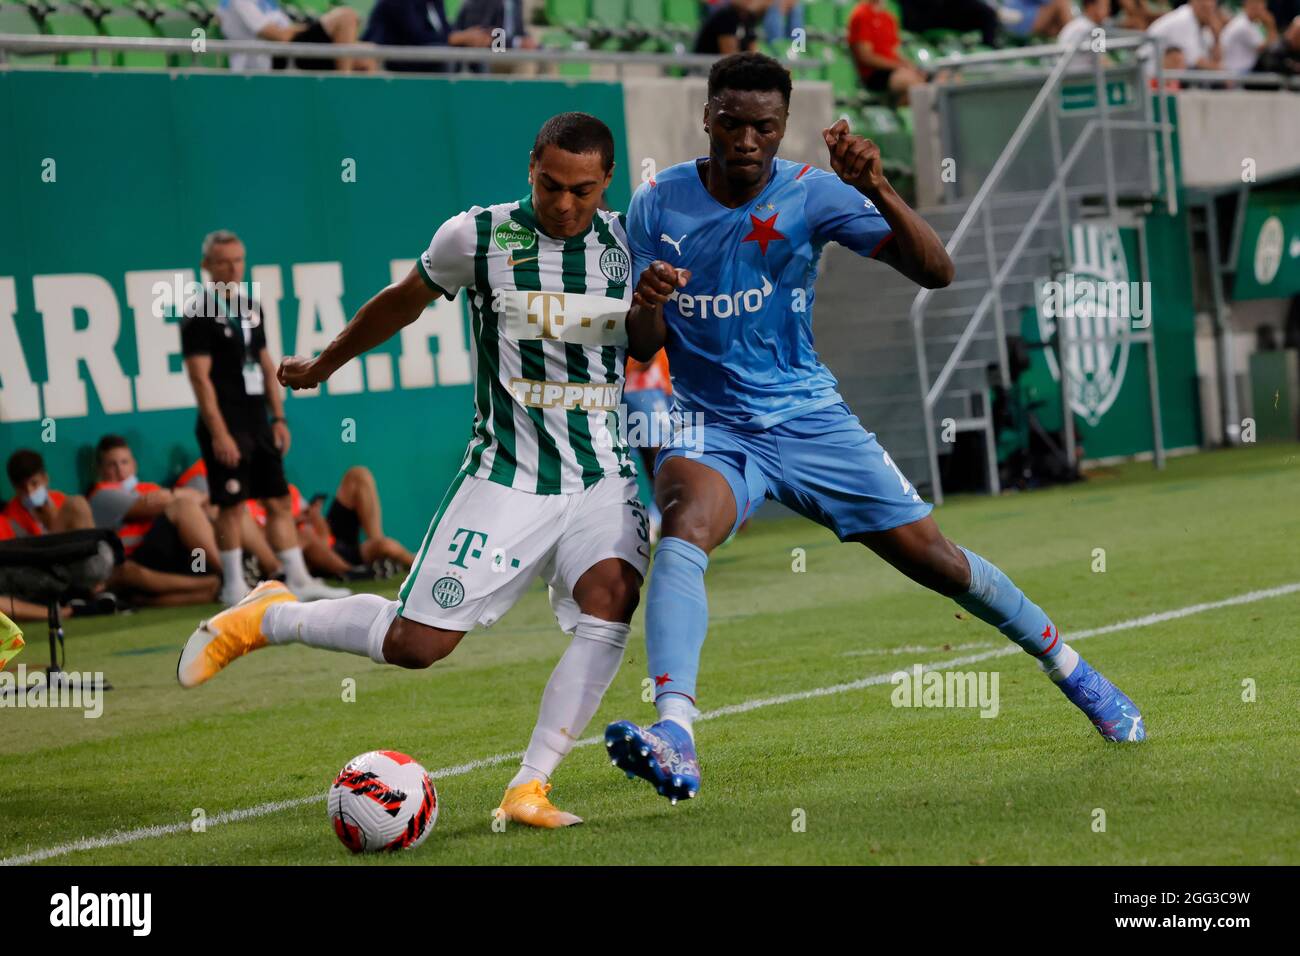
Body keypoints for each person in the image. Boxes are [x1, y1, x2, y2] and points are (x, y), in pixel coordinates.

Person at [604, 52, 1147, 805]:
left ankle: (1076, 673)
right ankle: (676, 733)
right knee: (683, 523)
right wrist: (650, 301)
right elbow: (639, 344)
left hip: (810, 421)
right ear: (706, 118)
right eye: (731, 123)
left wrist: (878, 188)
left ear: (783, 125)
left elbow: (938, 273)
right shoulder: (655, 202)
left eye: (764, 126)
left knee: (942, 563)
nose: (747, 140)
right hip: (713, 425)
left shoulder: (814, 193)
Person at [176, 113, 651, 830]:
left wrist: (657, 304)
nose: (564, 204)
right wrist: (322, 362)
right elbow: (402, 302)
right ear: (531, 166)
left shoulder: (629, 240)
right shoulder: (478, 236)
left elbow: (647, 343)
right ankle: (266, 617)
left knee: (611, 601)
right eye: (550, 185)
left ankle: (530, 787)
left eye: (581, 191)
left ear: (606, 182)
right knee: (416, 645)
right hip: (508, 475)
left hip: (602, 476)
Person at [180, 230, 348, 605]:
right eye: (223, 261)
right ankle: (234, 586)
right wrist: (219, 433)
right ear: (207, 265)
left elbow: (266, 361)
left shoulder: (251, 307)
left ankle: (299, 579)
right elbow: (199, 378)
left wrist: (279, 418)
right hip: (224, 423)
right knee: (231, 504)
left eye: (238, 259)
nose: (233, 267)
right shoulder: (198, 313)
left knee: (277, 501)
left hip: (258, 421)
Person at [88, 436, 221, 607]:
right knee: (183, 506)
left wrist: (175, 496)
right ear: (100, 470)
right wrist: (177, 496)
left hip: (173, 552)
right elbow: (149, 506)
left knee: (212, 508)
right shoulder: (102, 494)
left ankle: (226, 578)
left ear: (134, 464)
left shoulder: (149, 488)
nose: (120, 470)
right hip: (140, 556)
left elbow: (201, 499)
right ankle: (229, 575)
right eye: (112, 465)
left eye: (124, 462)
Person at [217, 0, 372, 72]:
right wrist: (295, 31)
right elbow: (279, 35)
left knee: (366, 52)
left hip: (291, 47)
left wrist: (294, 31)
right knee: (346, 16)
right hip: (273, 58)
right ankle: (343, 86)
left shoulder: (268, 3)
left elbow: (287, 30)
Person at [623, 350, 672, 542]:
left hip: (649, 386)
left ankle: (655, 517)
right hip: (644, 386)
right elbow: (647, 355)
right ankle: (656, 518)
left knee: (653, 456)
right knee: (656, 456)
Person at [847, 0, 929, 104]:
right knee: (917, 87)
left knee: (935, 81)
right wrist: (898, 65)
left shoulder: (889, 17)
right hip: (874, 74)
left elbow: (894, 52)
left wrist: (909, 66)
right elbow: (865, 56)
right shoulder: (861, 14)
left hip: (892, 70)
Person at [3, 450, 93, 538]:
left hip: (72, 545)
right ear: (15, 488)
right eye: (22, 488)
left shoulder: (60, 499)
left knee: (78, 503)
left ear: (45, 479)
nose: (29, 492)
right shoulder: (11, 518)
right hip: (43, 549)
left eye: (34, 483)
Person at [1147, 0, 1224, 70]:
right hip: (1149, 75)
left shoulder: (1204, 26)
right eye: (1204, 7)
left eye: (1211, 8)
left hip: (1164, 77)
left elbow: (1215, 60)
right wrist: (1222, 71)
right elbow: (1195, 61)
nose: (1209, 11)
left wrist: (1217, 38)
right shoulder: (1184, 19)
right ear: (1193, 2)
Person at [696, 0, 769, 55]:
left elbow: (754, 53)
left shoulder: (749, 18)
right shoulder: (725, 16)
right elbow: (731, 57)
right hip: (705, 69)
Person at [1221, 0, 1276, 73]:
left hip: (1243, 72)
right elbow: (1267, 47)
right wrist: (1270, 25)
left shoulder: (1251, 23)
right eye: (1260, 3)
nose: (1263, 8)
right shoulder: (1242, 25)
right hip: (1237, 74)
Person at [1057, 0, 1113, 67]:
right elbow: (1104, 63)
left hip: (1075, 74)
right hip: (1075, 75)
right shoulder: (1087, 29)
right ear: (1091, 7)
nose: (1109, 10)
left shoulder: (1082, 24)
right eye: (1105, 6)